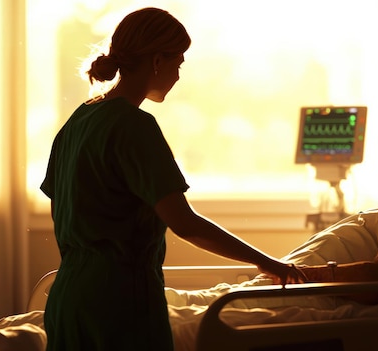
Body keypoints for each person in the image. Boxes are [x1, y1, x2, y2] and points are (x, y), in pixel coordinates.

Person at [40, 7, 304, 351]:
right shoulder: (134, 127)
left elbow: (62, 207)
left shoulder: (81, 119)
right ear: (156, 61)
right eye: (177, 64)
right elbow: (185, 224)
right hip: (117, 304)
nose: (178, 76)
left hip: (67, 301)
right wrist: (267, 262)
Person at [164, 129, 378, 350]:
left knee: (165, 331)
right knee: (152, 304)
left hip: (297, 303)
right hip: (260, 292)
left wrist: (302, 275)